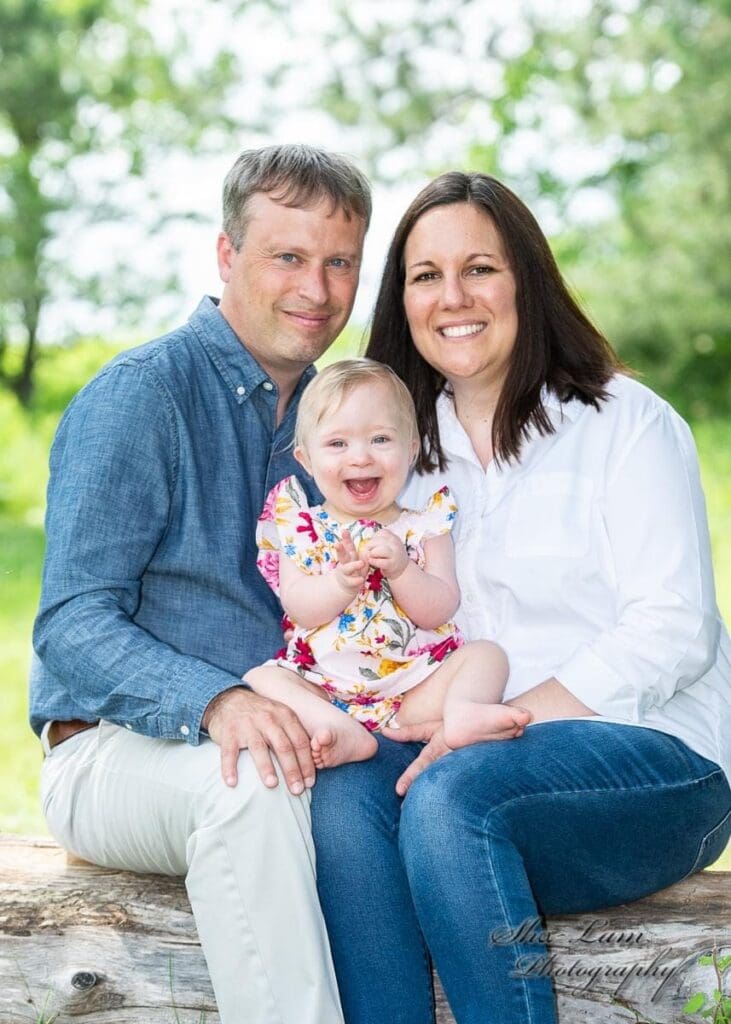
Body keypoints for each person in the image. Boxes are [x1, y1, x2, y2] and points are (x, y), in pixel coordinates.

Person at [310, 172, 731, 1024]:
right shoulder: (398, 454)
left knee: (453, 800)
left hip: (652, 763)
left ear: (526, 279)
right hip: (454, 759)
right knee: (344, 807)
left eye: (480, 269)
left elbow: (673, 630)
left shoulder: (625, 422)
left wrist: (501, 722)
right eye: (425, 275)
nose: (451, 297)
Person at [29, 143, 372, 1024]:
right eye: (287, 256)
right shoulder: (142, 396)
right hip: (111, 752)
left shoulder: (342, 422)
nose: (317, 289)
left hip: (292, 742)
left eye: (339, 262)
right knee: (249, 782)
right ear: (227, 256)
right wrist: (217, 700)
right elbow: (71, 622)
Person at [247, 358, 528, 769]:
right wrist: (340, 584)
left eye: (380, 439)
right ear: (306, 460)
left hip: (414, 689)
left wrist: (402, 571)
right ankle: (338, 728)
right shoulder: (302, 525)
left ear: (410, 449)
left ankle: (463, 711)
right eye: (337, 444)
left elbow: (440, 608)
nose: (360, 457)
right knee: (260, 679)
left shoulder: (425, 524)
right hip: (327, 685)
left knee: (488, 656)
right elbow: (299, 606)